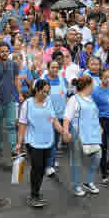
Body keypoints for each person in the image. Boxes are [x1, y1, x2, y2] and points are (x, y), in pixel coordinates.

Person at [16, 79, 67, 208]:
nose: (46, 95)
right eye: (44, 92)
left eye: (48, 92)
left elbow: (53, 119)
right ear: (37, 90)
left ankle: (37, 192)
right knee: (37, 167)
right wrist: (19, 142)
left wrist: (63, 131)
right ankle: (34, 195)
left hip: (47, 141)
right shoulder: (27, 104)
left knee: (42, 168)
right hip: (32, 142)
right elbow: (22, 124)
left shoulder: (48, 102)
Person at [63, 76, 102, 196]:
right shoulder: (74, 99)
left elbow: (94, 114)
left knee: (97, 156)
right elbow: (66, 117)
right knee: (76, 160)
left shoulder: (90, 98)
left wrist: (99, 126)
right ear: (87, 86)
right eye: (92, 85)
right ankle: (76, 185)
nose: (93, 87)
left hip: (92, 134)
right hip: (77, 133)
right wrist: (66, 132)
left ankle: (88, 181)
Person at [0, 42, 22, 159]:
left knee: (11, 125)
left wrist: (20, 94)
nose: (4, 53)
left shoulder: (14, 64)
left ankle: (13, 150)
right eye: (2, 51)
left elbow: (16, 80)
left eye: (6, 51)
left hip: (10, 99)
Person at [41, 60, 69, 177]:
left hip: (61, 115)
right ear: (48, 68)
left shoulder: (62, 80)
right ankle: (49, 165)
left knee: (56, 140)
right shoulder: (42, 81)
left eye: (57, 67)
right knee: (50, 141)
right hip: (48, 116)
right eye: (52, 67)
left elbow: (66, 96)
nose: (55, 69)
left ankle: (50, 160)